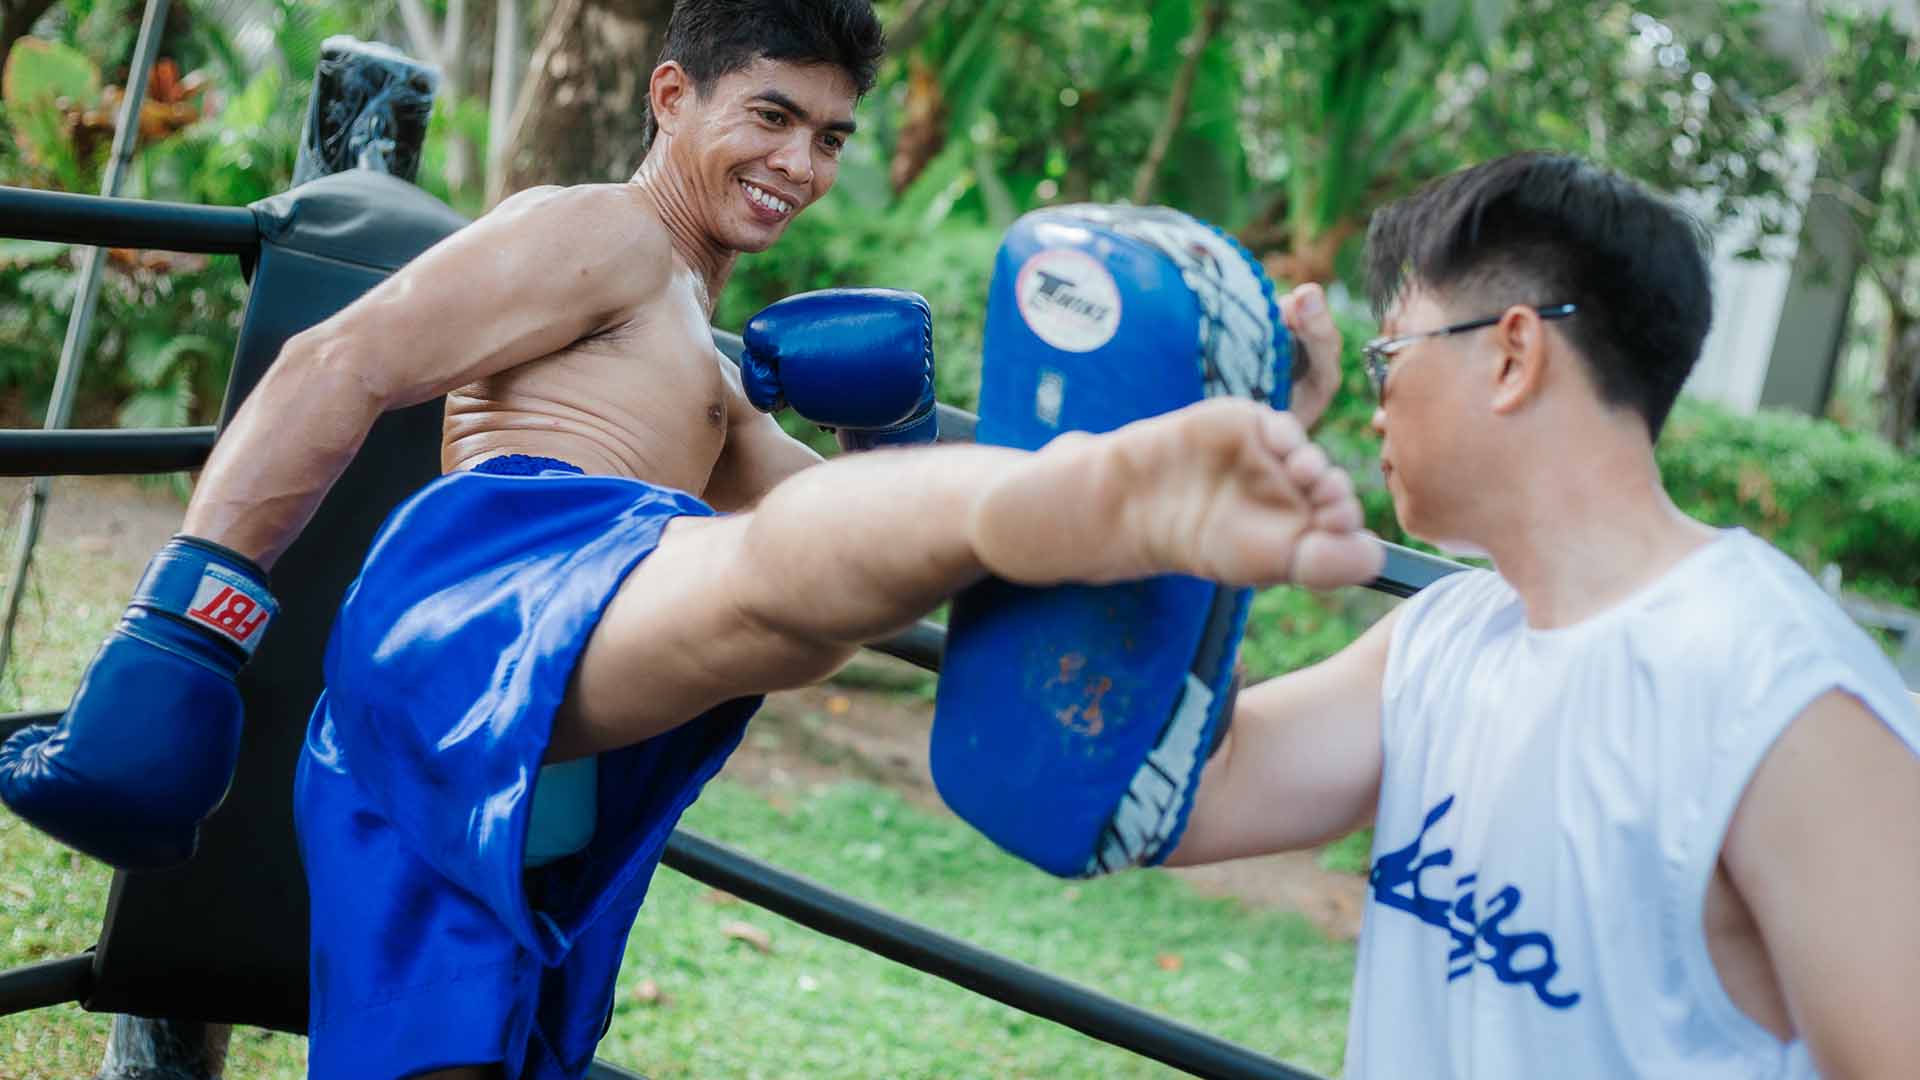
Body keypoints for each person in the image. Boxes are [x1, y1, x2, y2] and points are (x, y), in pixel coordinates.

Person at [0, 1, 1381, 1077]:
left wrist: (906, 445)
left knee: (466, 1050)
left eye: (832, 136)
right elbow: (334, 364)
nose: (801, 164)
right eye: (773, 116)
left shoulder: (706, 361)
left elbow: (868, 552)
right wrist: (187, 622)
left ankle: (1153, 477)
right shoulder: (595, 234)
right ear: (671, 96)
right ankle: (1105, 481)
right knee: (776, 600)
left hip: (538, 709)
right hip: (484, 596)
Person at [1145, 153, 1920, 1078]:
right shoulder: (1440, 640)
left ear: (1513, 353)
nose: (1374, 408)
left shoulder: (1782, 699)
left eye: (1387, 357)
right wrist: (1225, 464)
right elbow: (1185, 797)